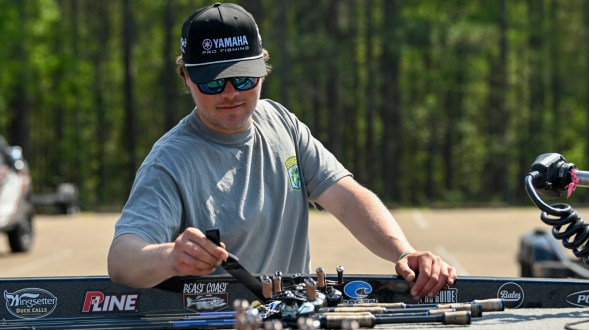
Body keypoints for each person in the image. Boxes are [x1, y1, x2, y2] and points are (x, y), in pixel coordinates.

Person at [107, 2, 456, 300]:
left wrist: (404, 252)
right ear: (186, 77)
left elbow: (348, 200)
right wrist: (170, 257)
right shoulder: (169, 162)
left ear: (263, 69)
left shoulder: (281, 123)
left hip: (292, 319)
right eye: (213, 82)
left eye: (244, 78)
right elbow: (122, 259)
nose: (231, 93)